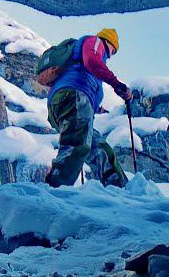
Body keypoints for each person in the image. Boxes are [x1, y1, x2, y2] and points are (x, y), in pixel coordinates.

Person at [44, 28, 131, 188]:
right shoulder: (95, 42)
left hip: (67, 104)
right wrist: (118, 85)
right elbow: (92, 61)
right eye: (113, 50)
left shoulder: (79, 65)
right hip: (74, 98)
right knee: (77, 144)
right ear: (108, 42)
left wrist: (97, 109)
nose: (111, 55)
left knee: (100, 149)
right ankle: (54, 192)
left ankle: (122, 190)